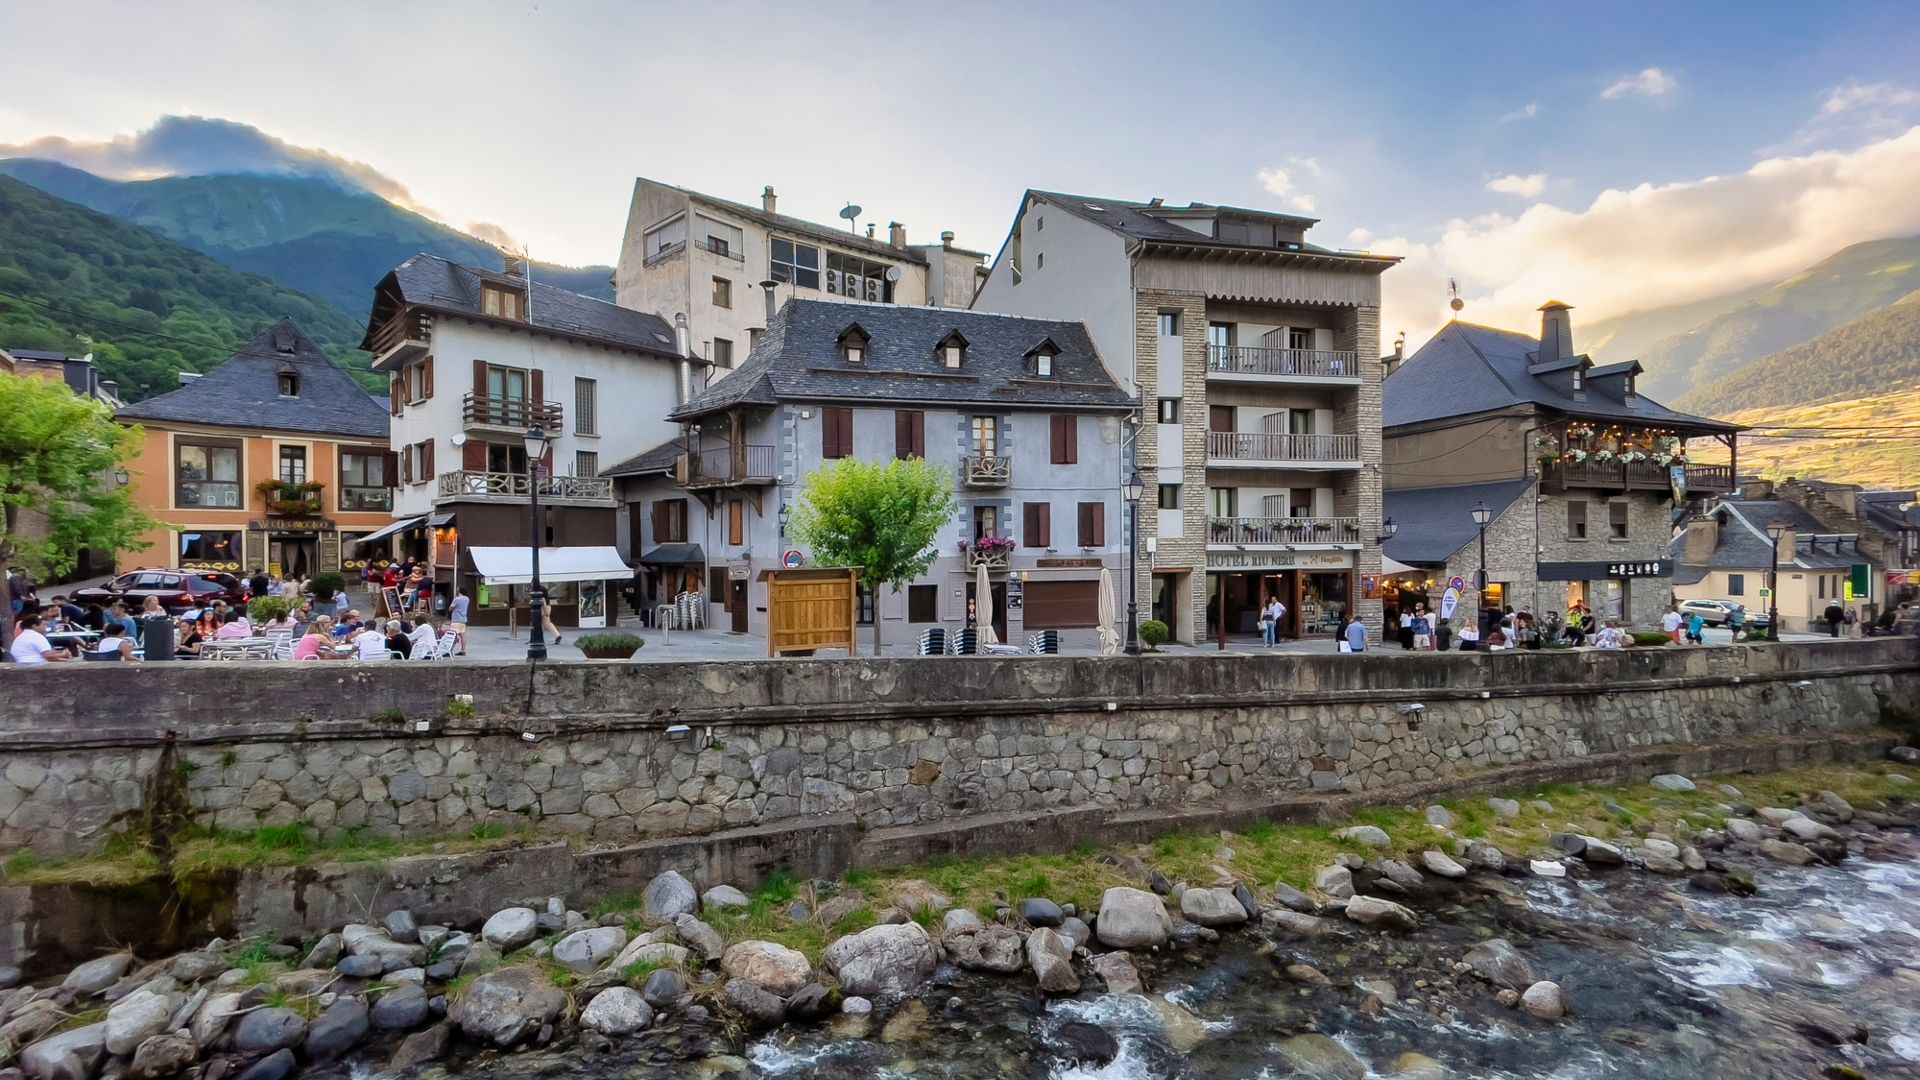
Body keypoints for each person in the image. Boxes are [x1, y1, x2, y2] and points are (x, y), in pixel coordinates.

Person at [447, 589, 471, 656]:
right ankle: (463, 650)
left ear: (459, 591)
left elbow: (450, 609)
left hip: (456, 620)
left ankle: (449, 651)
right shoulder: (467, 599)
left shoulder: (457, 599)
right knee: (463, 636)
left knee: (452, 636)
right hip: (463, 619)